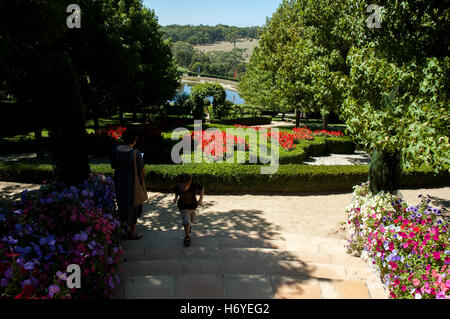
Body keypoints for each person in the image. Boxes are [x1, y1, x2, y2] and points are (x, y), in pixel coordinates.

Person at [111, 127, 145, 240]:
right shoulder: (136, 153)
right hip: (132, 183)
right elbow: (142, 170)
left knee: (122, 205)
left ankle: (125, 229)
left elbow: (113, 165)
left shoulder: (115, 150)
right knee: (133, 206)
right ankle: (133, 232)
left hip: (119, 181)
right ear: (134, 139)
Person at [173, 174, 204, 246]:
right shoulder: (177, 187)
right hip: (183, 207)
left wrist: (200, 199)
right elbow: (176, 192)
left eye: (187, 185)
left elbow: (202, 188)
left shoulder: (193, 186)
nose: (185, 187)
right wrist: (175, 198)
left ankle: (189, 227)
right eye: (183, 185)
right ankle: (187, 237)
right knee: (186, 221)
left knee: (191, 220)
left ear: (190, 183)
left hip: (192, 206)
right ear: (179, 183)